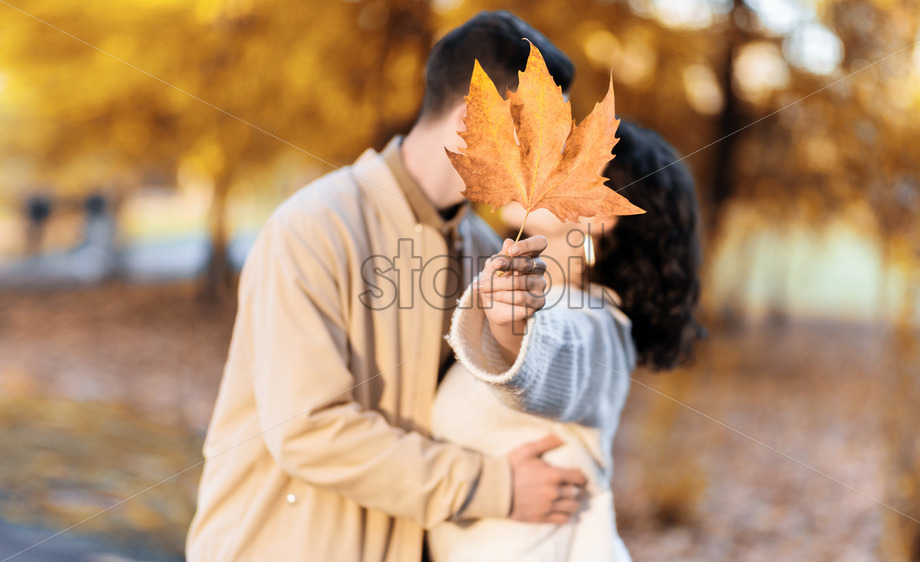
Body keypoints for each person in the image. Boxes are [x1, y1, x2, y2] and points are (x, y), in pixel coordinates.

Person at [186, 11, 586, 562]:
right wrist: (495, 487)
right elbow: (308, 431)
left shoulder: (482, 250)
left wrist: (509, 334)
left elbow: (474, 409)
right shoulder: (313, 228)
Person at [428, 121, 703, 561]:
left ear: (599, 214)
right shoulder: (567, 302)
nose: (533, 168)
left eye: (562, 166)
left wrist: (512, 325)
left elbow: (555, 353)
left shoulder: (596, 326)